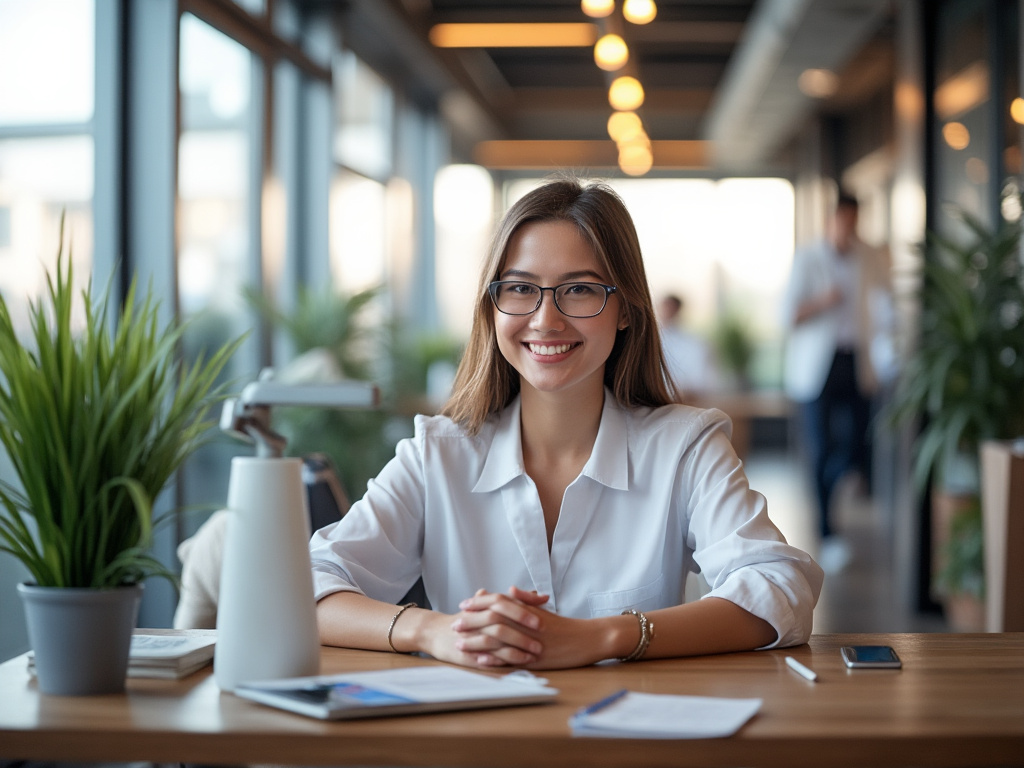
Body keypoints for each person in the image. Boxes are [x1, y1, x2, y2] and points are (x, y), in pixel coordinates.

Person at [310, 176, 823, 670]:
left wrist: (600, 637)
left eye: (578, 290)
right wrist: (432, 631)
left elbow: (780, 587)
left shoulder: (685, 446)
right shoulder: (437, 454)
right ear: (492, 308)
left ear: (625, 309)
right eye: (520, 288)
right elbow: (307, 583)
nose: (545, 320)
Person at [781, 191, 892, 574]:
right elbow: (788, 316)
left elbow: (885, 302)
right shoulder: (809, 258)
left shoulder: (868, 258)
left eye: (854, 221)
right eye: (843, 220)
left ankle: (843, 476)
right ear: (832, 220)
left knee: (859, 442)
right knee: (822, 447)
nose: (849, 228)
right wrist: (824, 301)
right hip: (816, 368)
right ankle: (827, 532)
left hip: (855, 361)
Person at [656, 293, 719, 401]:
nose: (666, 311)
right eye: (665, 307)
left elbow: (700, 381)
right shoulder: (651, 340)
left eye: (670, 307)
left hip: (686, 399)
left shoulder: (695, 344)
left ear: (678, 310)